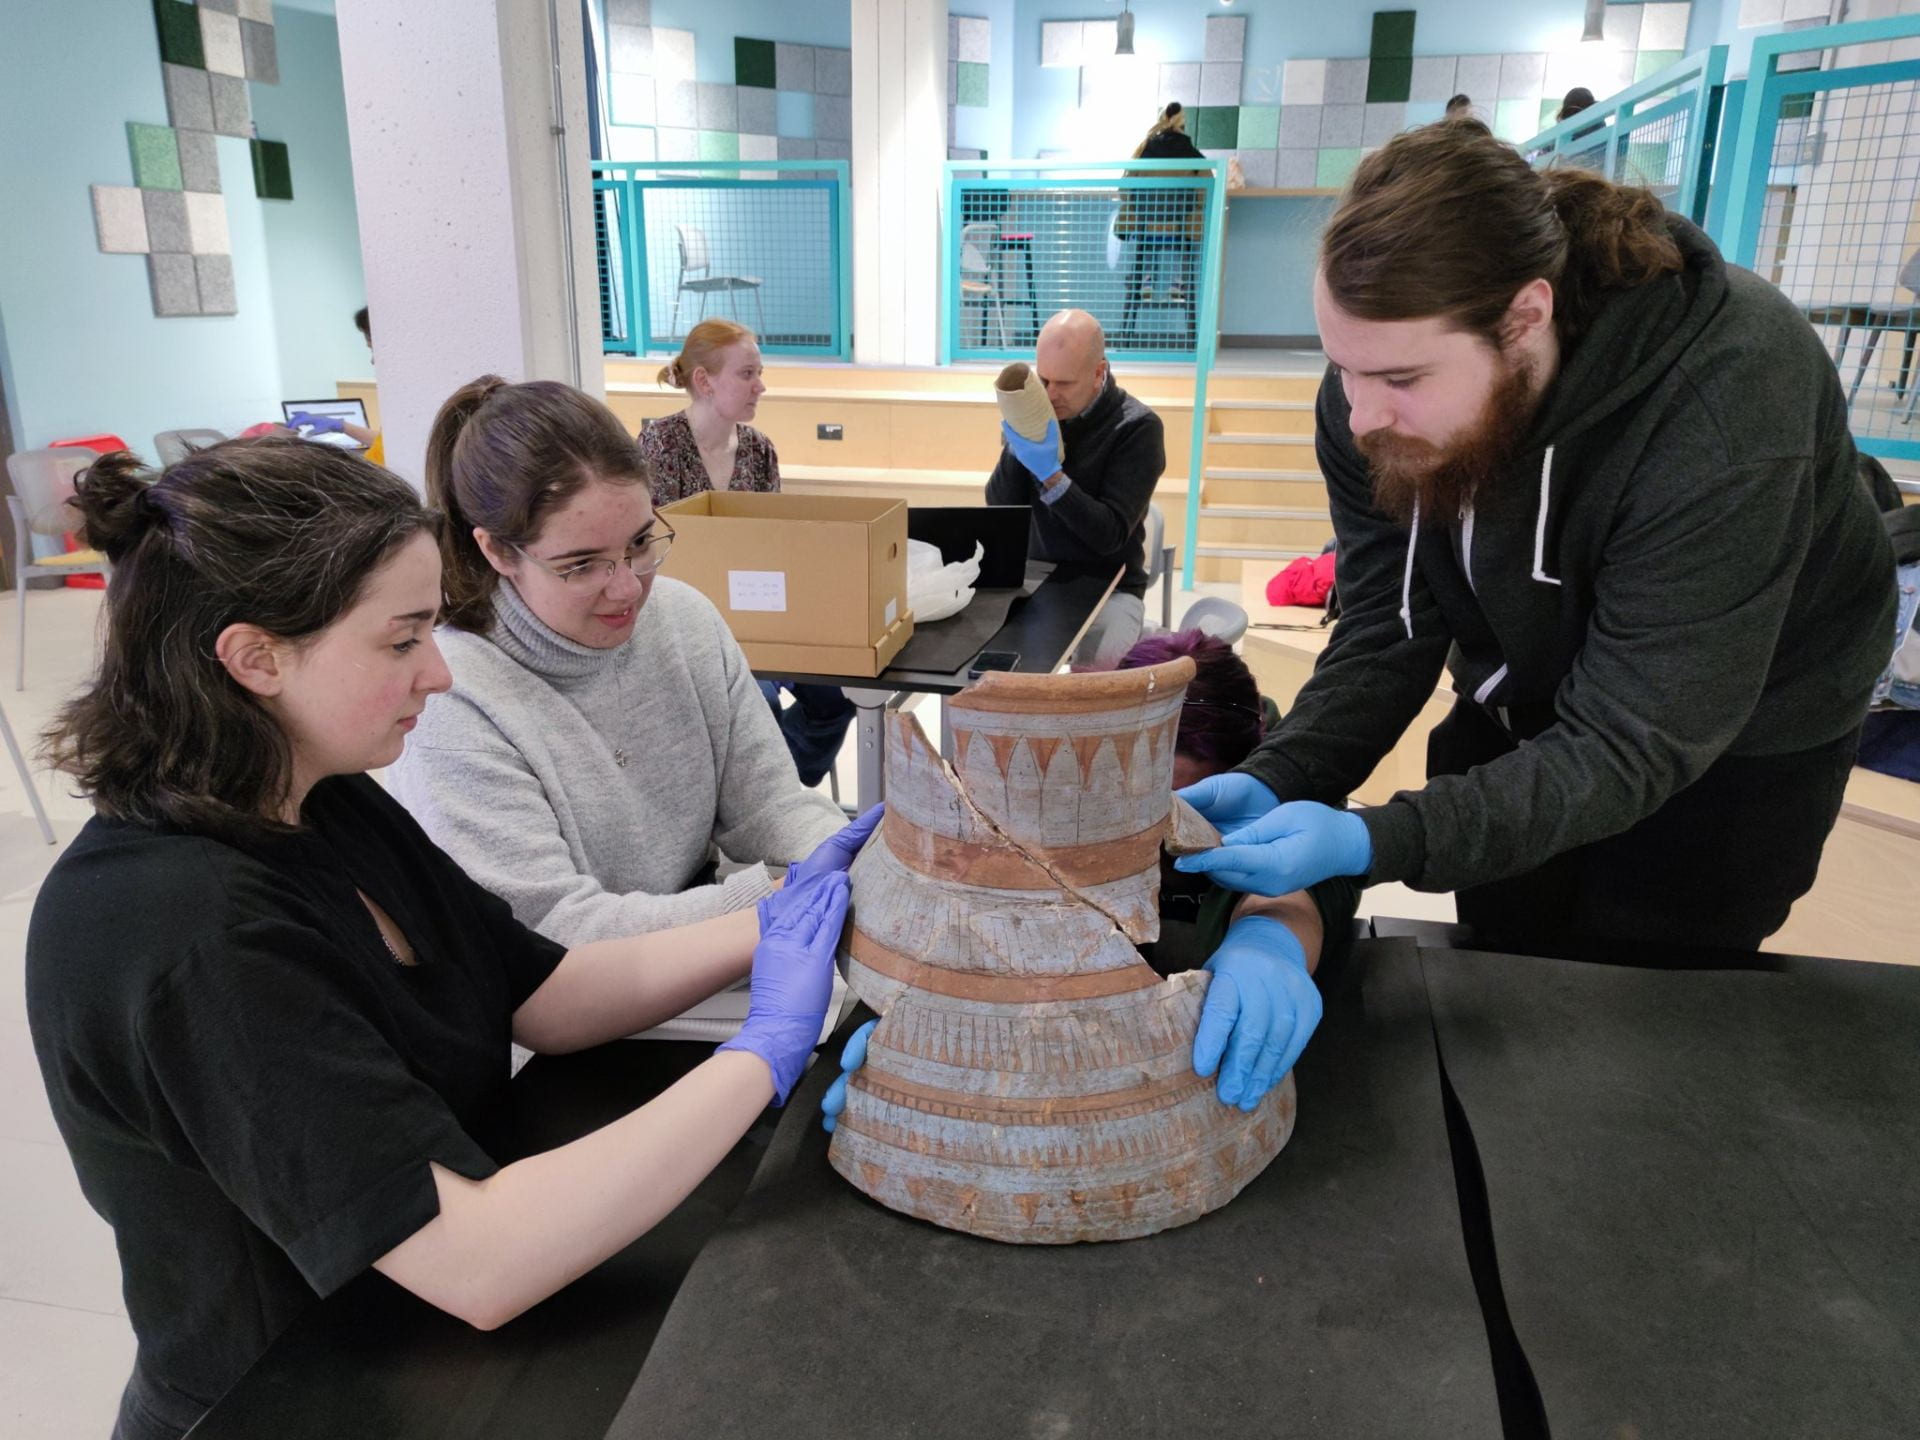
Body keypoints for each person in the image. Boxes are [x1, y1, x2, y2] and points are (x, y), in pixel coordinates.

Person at [25, 438, 871, 1440]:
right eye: (401, 641)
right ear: (253, 657)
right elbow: (479, 1259)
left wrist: (769, 924)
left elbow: (545, 995)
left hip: (421, 1354)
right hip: (287, 1394)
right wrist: (762, 1055)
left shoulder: (324, 799)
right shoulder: (186, 933)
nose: (438, 673)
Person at [1176, 119, 1898, 953]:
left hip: (1734, 732)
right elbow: (1389, 628)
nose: (1362, 414)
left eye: (1402, 377)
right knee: (1502, 941)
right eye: (1341, 364)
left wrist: (1383, 840)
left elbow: (1634, 739)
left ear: (1526, 317)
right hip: (1524, 685)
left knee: (1649, 983)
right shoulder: (1371, 405)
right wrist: (1282, 774)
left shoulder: (1726, 403)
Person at [388, 377, 849, 970]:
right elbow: (552, 930)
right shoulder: (454, 698)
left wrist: (846, 854)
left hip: (695, 951)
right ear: (497, 552)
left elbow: (768, 806)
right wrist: (777, 900)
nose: (628, 586)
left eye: (639, 542)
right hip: (563, 1005)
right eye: (581, 565)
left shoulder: (682, 620)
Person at [822, 629, 1353, 1128]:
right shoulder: (1046, 780)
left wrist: (1272, 939)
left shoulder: (1288, 785)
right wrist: (932, 1012)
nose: (1153, 828)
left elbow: (1311, 881)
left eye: (1177, 802)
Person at [639, 319, 855, 788]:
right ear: (704, 380)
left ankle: (774, 792)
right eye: (747, 374)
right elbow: (654, 557)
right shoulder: (660, 446)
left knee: (840, 697)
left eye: (760, 373)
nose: (761, 386)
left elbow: (772, 546)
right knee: (759, 708)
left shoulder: (760, 451)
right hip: (689, 629)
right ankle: (760, 796)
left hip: (760, 621)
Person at [987, 308, 1164, 664]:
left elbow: (1108, 535)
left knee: (1098, 695)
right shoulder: (1043, 410)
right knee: (986, 675)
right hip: (1038, 579)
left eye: (1064, 383)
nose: (1051, 395)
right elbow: (1001, 507)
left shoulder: (1137, 429)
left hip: (1110, 588)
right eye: (1044, 380)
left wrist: (1052, 476)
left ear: (1099, 373)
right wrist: (1019, 443)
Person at [1117, 103, 1208, 323]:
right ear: (1183, 125)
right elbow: (1205, 192)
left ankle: (1144, 279)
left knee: (1146, 244)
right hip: (1181, 230)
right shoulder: (1192, 154)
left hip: (1145, 229)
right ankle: (1179, 281)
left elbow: (1125, 188)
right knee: (1188, 240)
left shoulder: (1144, 149)